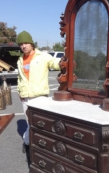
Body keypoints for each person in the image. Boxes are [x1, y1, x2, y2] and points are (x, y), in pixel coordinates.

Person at [16, 31, 60, 159]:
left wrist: (64, 61)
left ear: (31, 43)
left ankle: (31, 145)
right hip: (25, 97)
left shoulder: (43, 56)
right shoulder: (20, 59)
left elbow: (55, 63)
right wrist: (19, 91)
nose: (23, 46)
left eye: (25, 43)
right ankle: (30, 145)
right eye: (21, 44)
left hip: (39, 96)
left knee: (39, 124)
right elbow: (20, 78)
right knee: (30, 123)